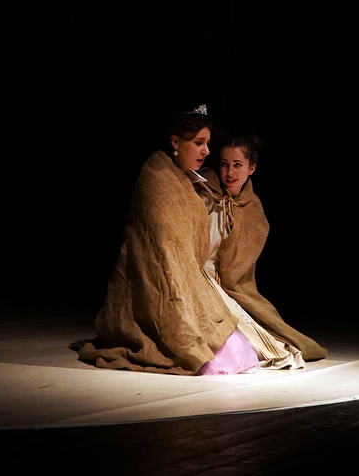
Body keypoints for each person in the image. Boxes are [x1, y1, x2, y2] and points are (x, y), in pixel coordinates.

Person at [77, 106, 259, 375]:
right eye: (198, 143)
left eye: (207, 144)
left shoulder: (189, 181)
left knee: (234, 344)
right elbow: (160, 247)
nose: (206, 151)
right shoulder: (157, 180)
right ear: (175, 142)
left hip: (189, 277)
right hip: (153, 283)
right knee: (204, 346)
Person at [196, 135, 328, 368]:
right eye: (225, 164)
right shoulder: (202, 193)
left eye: (237, 165)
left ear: (251, 168)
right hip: (196, 276)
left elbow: (239, 268)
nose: (230, 172)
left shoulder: (252, 209)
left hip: (223, 285)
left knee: (261, 338)